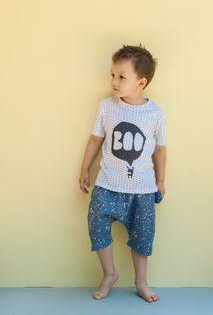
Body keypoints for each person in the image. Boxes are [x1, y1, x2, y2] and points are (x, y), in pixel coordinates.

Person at [79, 43, 166, 302]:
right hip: (107, 185)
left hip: (142, 191)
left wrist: (161, 180)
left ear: (141, 82)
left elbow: (160, 150)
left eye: (121, 77)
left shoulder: (156, 113)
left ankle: (141, 282)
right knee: (96, 225)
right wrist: (84, 167)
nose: (114, 82)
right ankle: (109, 274)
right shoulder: (107, 106)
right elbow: (95, 139)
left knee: (143, 236)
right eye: (112, 75)